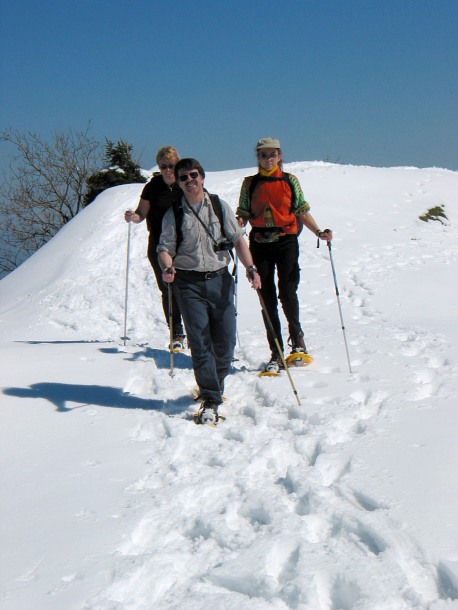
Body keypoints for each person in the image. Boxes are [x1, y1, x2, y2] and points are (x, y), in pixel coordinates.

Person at [158, 158, 261, 424]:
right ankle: (212, 397)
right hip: (188, 283)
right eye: (183, 177)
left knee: (225, 344)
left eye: (193, 175)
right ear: (178, 183)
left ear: (202, 177)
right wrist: (167, 268)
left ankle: (210, 384)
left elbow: (238, 239)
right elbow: (164, 248)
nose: (189, 180)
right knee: (201, 342)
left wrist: (251, 268)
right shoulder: (174, 213)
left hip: (220, 280)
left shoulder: (217, 206)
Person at [236, 137, 332, 374]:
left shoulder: (290, 181)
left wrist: (318, 231)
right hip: (259, 242)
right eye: (263, 155)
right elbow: (244, 214)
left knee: (288, 292)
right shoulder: (249, 184)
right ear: (257, 157)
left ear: (279, 156)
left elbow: (302, 211)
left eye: (271, 154)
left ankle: (297, 339)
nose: (267, 159)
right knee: (266, 297)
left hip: (286, 241)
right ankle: (276, 351)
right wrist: (237, 224)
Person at [124, 146, 185, 350]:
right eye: (163, 166)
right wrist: (135, 217)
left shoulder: (185, 183)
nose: (168, 169)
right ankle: (176, 332)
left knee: (187, 287)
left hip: (185, 243)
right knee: (167, 287)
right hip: (159, 244)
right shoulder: (152, 187)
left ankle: (194, 331)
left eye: (171, 165)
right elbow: (142, 212)